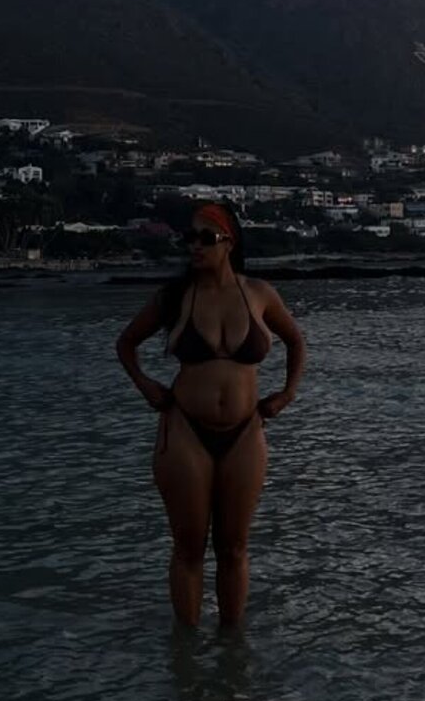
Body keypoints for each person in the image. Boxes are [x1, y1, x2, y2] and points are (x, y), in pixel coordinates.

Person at [115, 200, 306, 628]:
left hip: (245, 432)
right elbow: (126, 343)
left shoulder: (259, 294)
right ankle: (185, 654)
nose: (195, 246)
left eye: (206, 238)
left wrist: (287, 394)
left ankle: (232, 656)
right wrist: (145, 385)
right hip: (185, 429)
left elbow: (296, 342)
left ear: (229, 243)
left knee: (234, 547)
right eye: (190, 238)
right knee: (188, 548)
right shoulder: (175, 297)